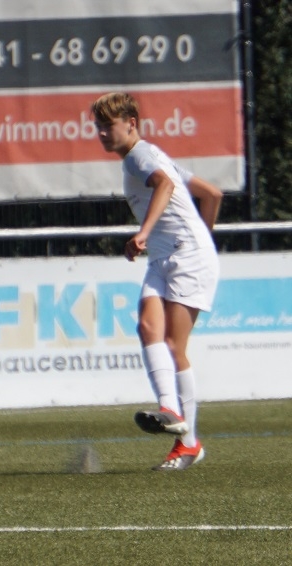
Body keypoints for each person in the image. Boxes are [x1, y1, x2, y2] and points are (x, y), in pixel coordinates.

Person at [91, 92, 223, 471]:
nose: (102, 133)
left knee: (173, 345)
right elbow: (212, 195)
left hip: (183, 257)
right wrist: (203, 238)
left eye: (108, 125)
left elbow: (164, 184)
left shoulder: (140, 156)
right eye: (98, 127)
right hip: (168, 256)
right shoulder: (149, 155)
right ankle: (170, 410)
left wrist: (146, 234)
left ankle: (189, 444)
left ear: (131, 123)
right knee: (148, 327)